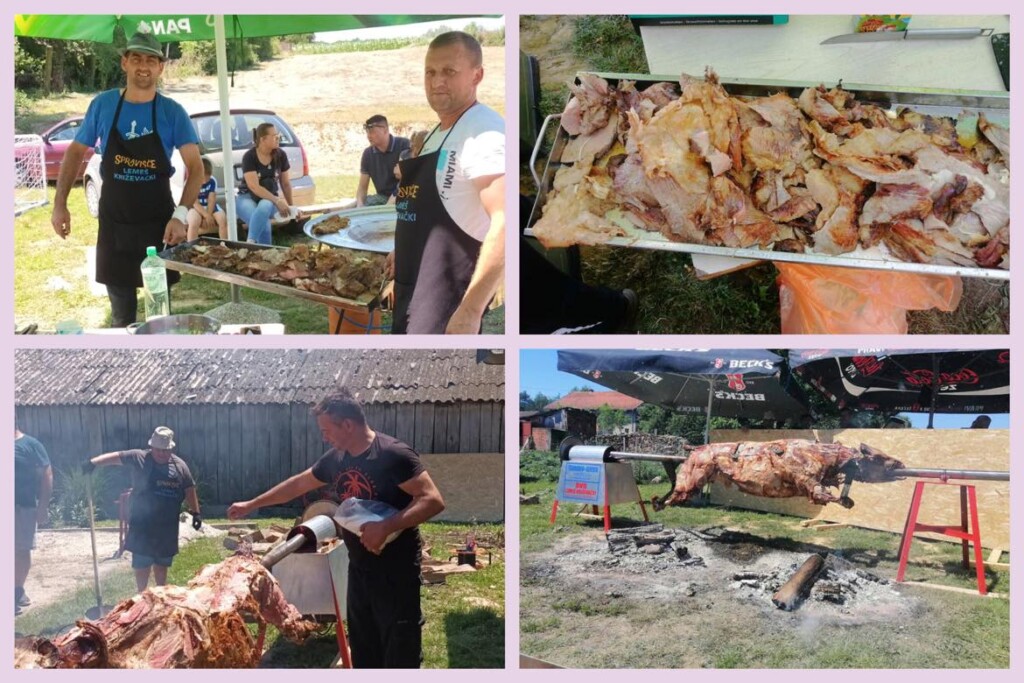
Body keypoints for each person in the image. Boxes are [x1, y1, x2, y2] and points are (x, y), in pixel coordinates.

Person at [227, 389, 445, 668]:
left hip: (396, 572)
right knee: (365, 648)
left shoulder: (392, 454)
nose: (323, 437)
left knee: (399, 651)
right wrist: (252, 504)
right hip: (359, 568)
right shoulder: (336, 459)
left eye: (326, 430)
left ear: (348, 425)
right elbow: (298, 484)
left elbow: (433, 500)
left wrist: (386, 526)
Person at [51, 30, 204, 328]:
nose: (143, 66)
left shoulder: (173, 112)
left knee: (160, 317)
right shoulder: (103, 105)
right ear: (124, 63)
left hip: (159, 225)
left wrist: (181, 215)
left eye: (151, 59)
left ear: (161, 66)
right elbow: (74, 153)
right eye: (136, 58)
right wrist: (60, 204)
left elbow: (196, 169)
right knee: (121, 316)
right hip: (115, 224)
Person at [390, 31, 505, 334]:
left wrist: (470, 311)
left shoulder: (484, 133)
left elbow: (504, 222)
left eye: (449, 71)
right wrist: (400, 252)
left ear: (476, 75)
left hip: (445, 300)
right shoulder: (436, 133)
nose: (437, 81)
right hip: (412, 284)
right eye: (430, 72)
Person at [83, 426, 202, 592]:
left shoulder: (180, 466)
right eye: (158, 449)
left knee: (161, 566)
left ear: (171, 448)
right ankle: (141, 596)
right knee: (142, 564)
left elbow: (190, 489)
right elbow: (116, 456)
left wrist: (196, 513)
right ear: (152, 446)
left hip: (167, 526)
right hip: (142, 525)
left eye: (165, 450)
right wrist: (93, 463)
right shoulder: (139, 457)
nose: (161, 453)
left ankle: (161, 597)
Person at [236, 122, 294, 245]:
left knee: (266, 204)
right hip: (246, 196)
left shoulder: (281, 155)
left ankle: (251, 245)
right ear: (263, 139)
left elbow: (286, 184)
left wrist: (291, 207)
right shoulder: (249, 156)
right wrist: (277, 201)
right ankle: (256, 248)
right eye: (274, 136)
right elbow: (254, 187)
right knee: (265, 226)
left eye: (278, 135)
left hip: (269, 199)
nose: (278, 138)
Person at [15, 428, 52, 616]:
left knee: (21, 550)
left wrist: (43, 506)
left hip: (23, 506)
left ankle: (16, 590)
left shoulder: (30, 445)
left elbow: (46, 474)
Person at [345, 115, 410, 208]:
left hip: (405, 196)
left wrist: (388, 205)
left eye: (372, 131)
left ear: (385, 130)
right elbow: (362, 187)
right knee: (351, 208)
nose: (368, 136)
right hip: (382, 197)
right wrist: (360, 204)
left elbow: (409, 180)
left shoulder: (404, 145)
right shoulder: (368, 154)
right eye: (367, 132)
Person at [186, 156, 227, 241]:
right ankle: (191, 245)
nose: (205, 180)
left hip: (210, 206)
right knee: (194, 222)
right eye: (203, 177)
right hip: (195, 207)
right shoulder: (191, 181)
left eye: (207, 177)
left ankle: (224, 244)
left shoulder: (212, 181)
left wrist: (208, 215)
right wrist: (206, 215)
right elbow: (195, 203)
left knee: (222, 220)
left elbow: (211, 199)